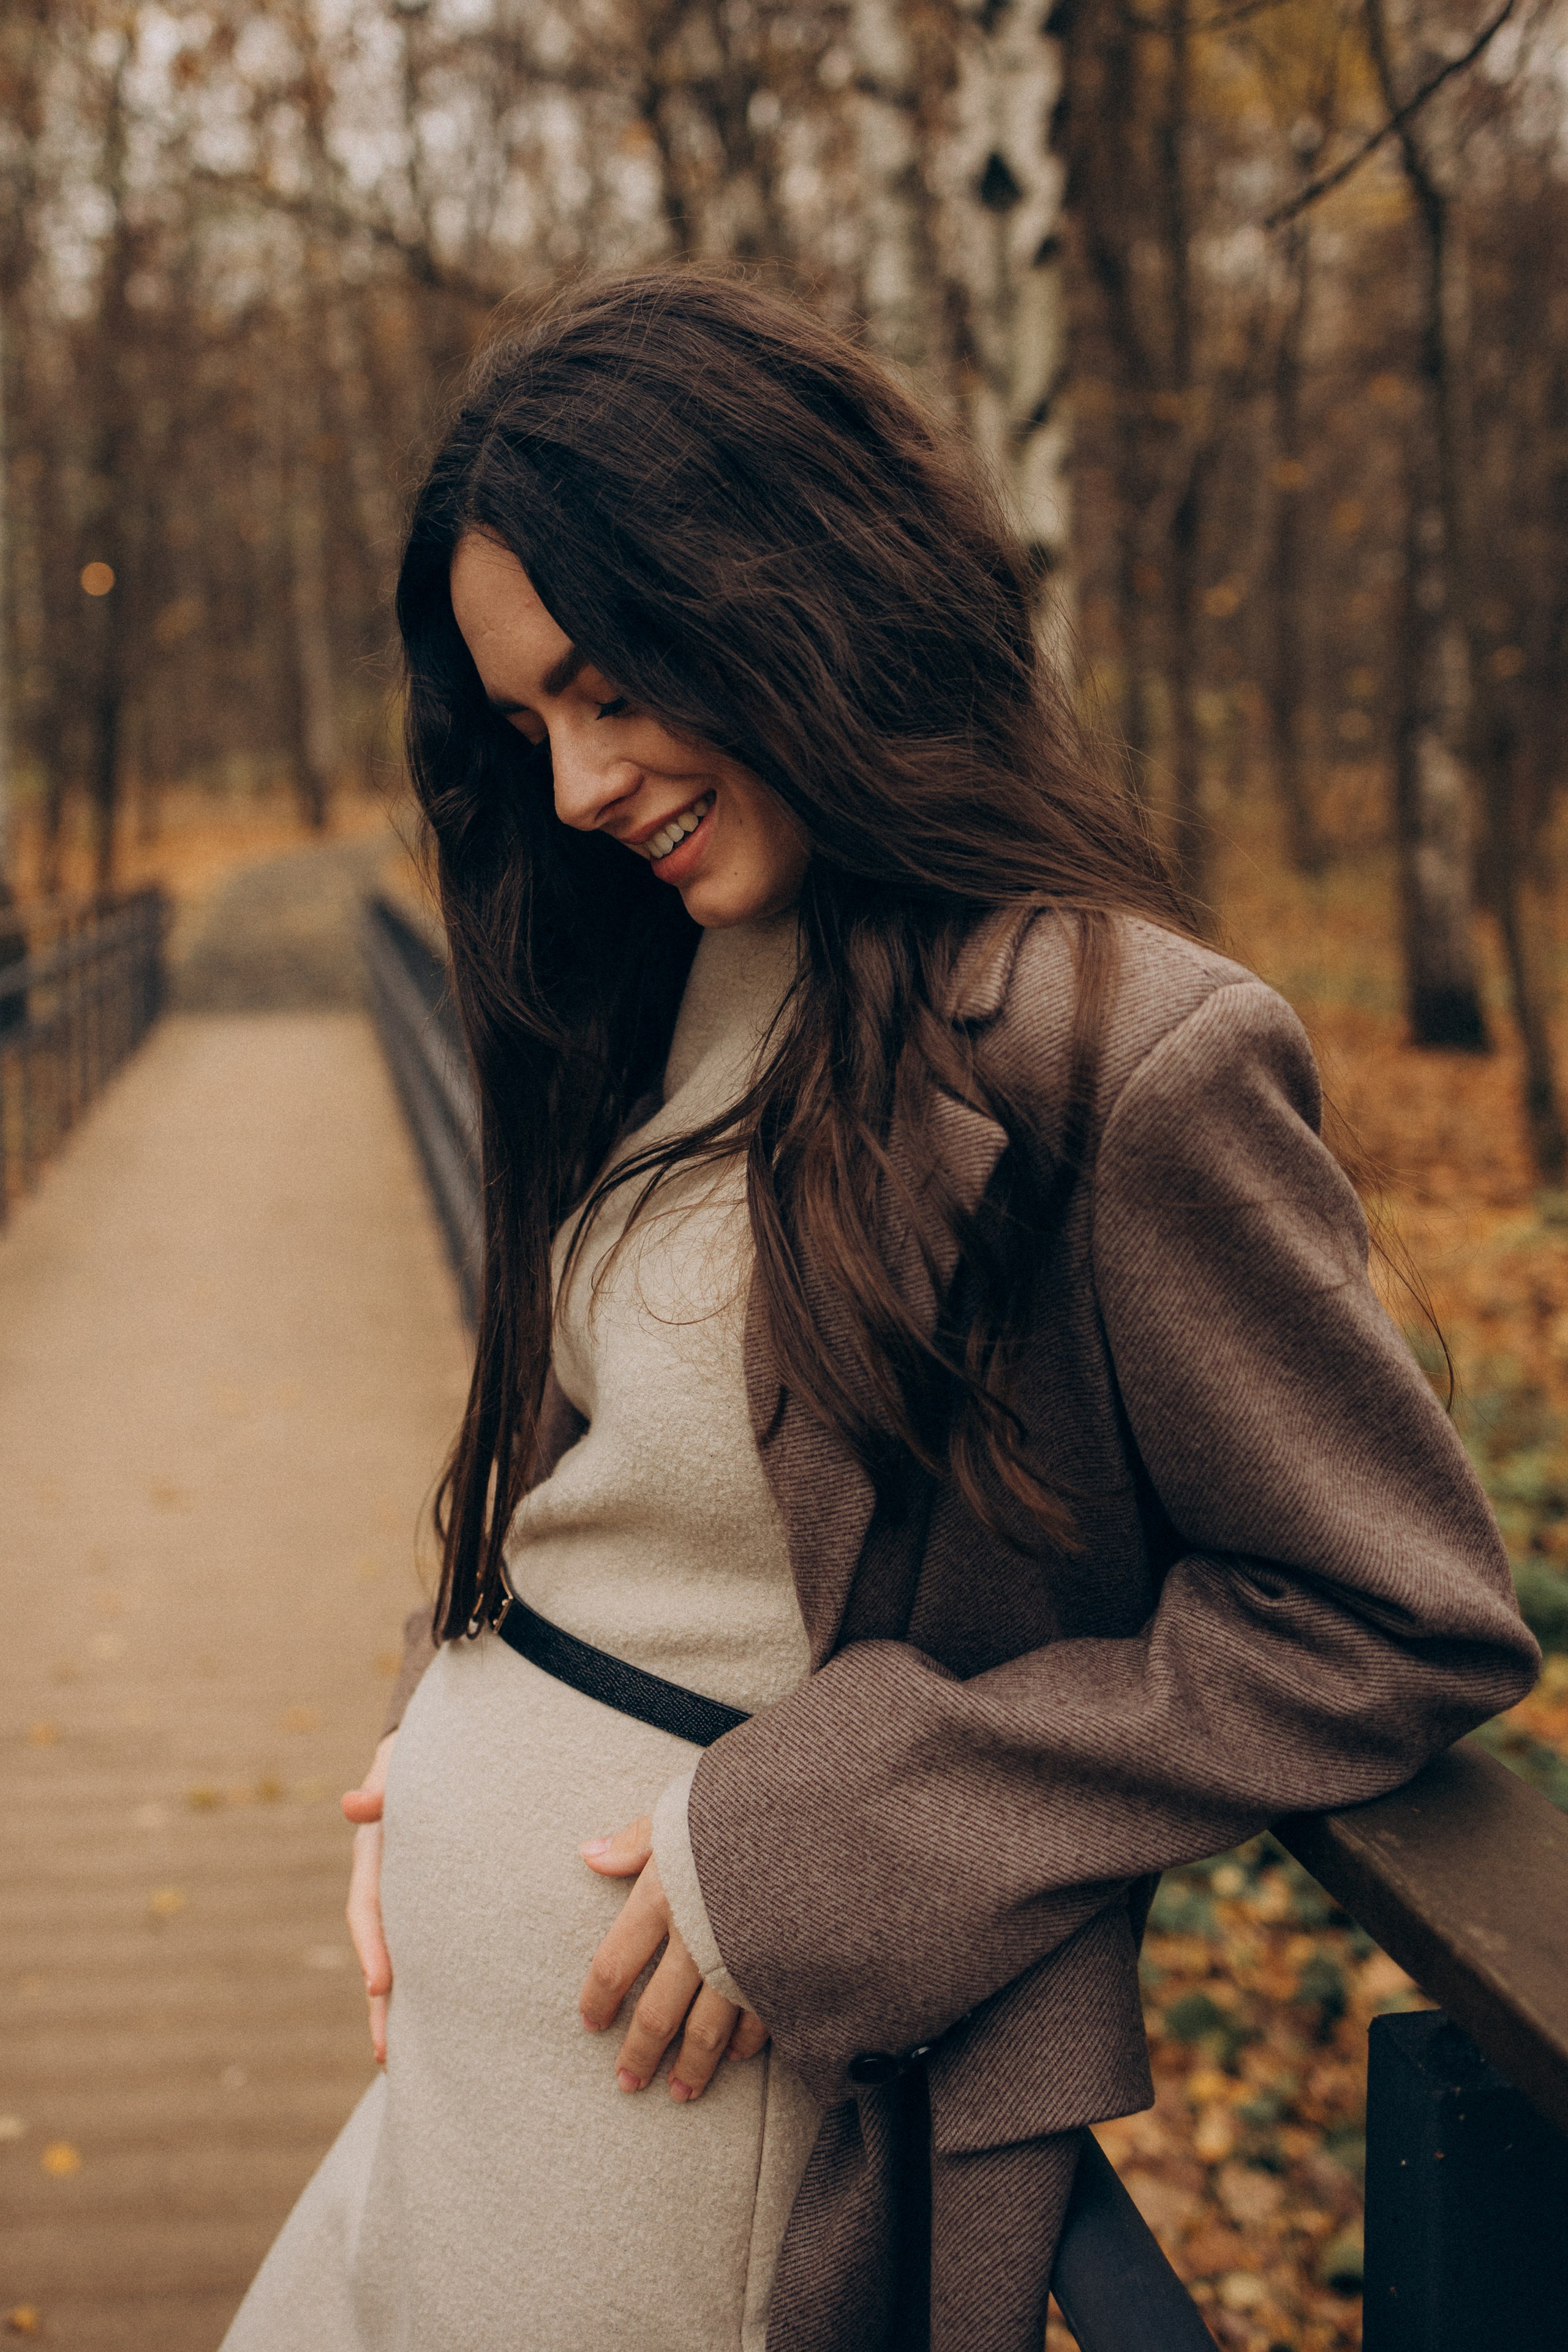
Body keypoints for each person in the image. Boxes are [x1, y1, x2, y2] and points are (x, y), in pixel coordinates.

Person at [221, 271, 1537, 2352]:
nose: (575, 785)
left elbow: (1395, 1613)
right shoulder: (667, 966)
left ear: (785, 587)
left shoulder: (1122, 1052)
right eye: (528, 727)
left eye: (606, 686)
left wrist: (842, 1838)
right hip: (455, 2088)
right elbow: (622, 1453)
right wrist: (435, 1697)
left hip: (684, 2124)